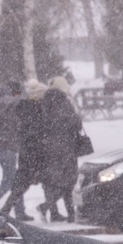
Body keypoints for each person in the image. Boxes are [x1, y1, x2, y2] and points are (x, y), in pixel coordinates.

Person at [0, 79, 51, 219]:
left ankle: (5, 211)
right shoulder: (36, 110)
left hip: (27, 153)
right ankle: (49, 209)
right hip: (36, 153)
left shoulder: (24, 108)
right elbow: (35, 132)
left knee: (21, 185)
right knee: (47, 182)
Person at [0, 81, 31, 221]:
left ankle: (20, 211)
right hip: (12, 145)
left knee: (14, 179)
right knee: (9, 182)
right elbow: (21, 121)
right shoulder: (14, 102)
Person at [38, 87, 83, 222]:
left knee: (55, 182)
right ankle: (51, 208)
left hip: (49, 151)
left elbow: (42, 129)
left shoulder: (44, 108)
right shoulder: (65, 106)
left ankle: (64, 212)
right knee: (69, 182)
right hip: (67, 150)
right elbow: (76, 125)